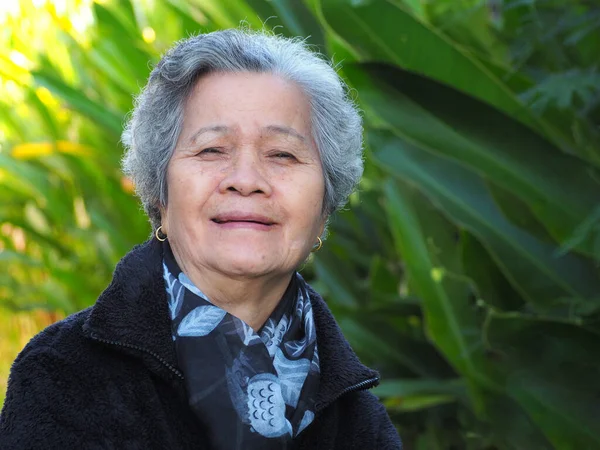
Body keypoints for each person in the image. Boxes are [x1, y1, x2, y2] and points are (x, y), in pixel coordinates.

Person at [0, 29, 401, 449]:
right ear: (160, 195)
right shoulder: (65, 373)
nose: (246, 181)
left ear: (323, 210)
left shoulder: (357, 414)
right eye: (212, 150)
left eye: (282, 154)